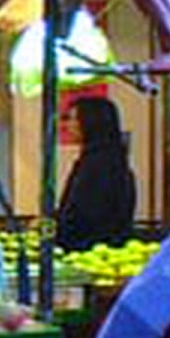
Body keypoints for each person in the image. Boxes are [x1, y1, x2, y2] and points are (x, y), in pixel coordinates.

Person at [54, 93, 137, 253]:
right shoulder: (111, 158)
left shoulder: (99, 165)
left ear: (90, 122)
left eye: (72, 119)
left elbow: (83, 215)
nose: (67, 125)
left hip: (93, 252)